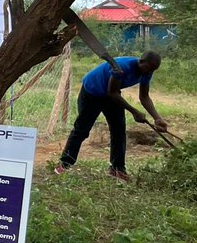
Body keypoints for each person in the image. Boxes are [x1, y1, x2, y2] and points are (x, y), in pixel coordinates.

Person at [56, 52, 166, 180]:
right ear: (141, 62)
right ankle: (64, 164)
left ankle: (117, 169)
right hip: (92, 93)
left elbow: (144, 96)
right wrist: (134, 111)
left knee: (118, 131)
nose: (149, 72)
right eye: (149, 68)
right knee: (82, 130)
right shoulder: (122, 66)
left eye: (153, 70)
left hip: (112, 96)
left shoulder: (147, 71)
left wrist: (158, 118)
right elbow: (112, 92)